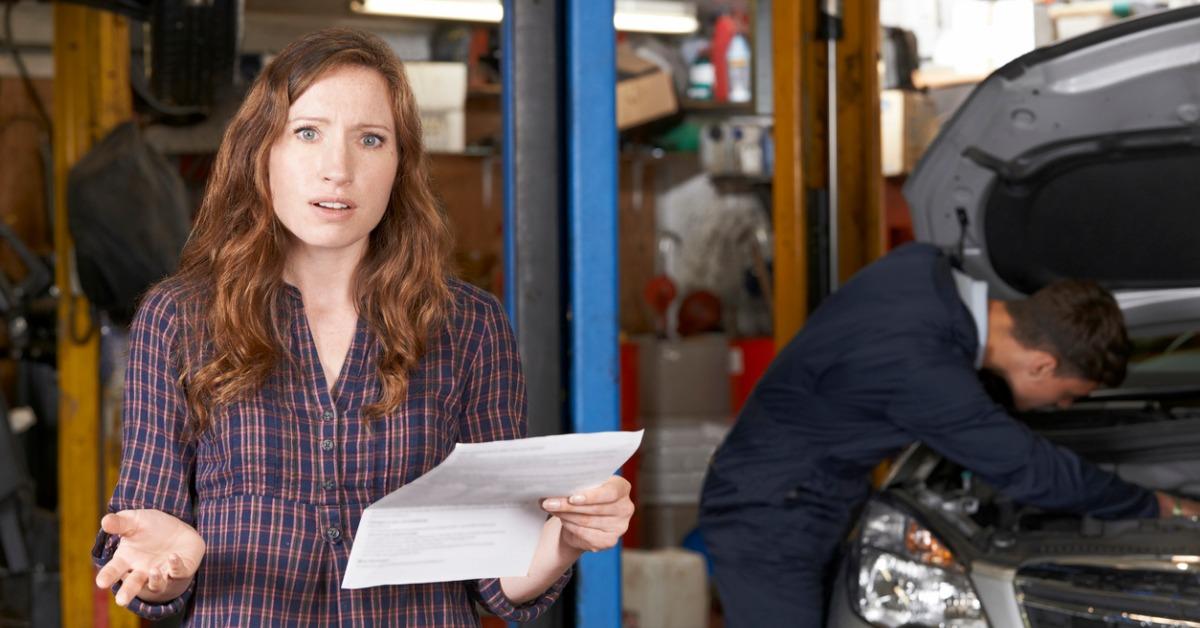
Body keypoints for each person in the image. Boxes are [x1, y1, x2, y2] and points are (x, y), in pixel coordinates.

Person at [91, 28, 633, 625]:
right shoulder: (180, 319)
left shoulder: (469, 325)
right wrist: (164, 571)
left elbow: (499, 577)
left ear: (399, 166)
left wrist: (569, 538)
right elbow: (143, 561)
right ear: (260, 152)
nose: (338, 169)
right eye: (307, 133)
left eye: (370, 140)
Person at [699, 242, 1200, 627]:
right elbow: (1030, 471)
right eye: (1068, 396)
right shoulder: (921, 369)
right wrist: (1160, 505)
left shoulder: (921, 267)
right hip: (769, 517)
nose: (1062, 408)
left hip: (808, 494)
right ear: (1044, 364)